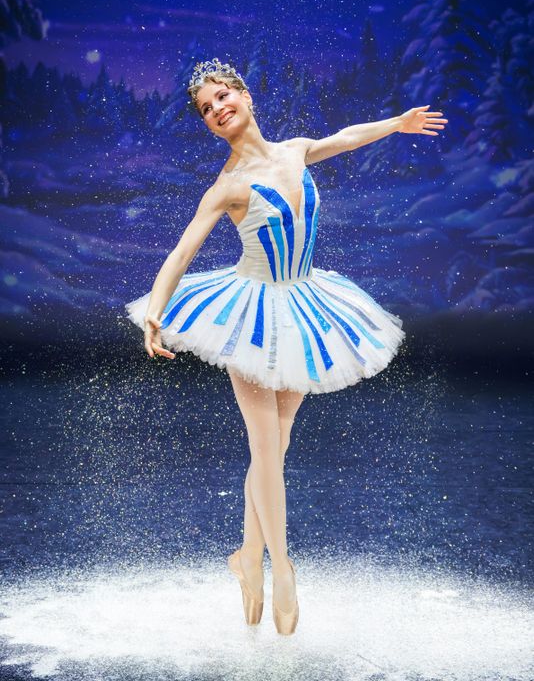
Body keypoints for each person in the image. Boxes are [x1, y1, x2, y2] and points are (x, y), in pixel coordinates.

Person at [125, 57, 448, 635]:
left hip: (303, 310)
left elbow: (342, 139)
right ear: (208, 124)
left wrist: (395, 124)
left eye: (224, 96)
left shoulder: (294, 149)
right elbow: (181, 253)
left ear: (244, 96)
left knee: (276, 448)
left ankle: (247, 558)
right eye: (207, 109)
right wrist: (154, 311)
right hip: (250, 316)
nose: (218, 109)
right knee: (266, 447)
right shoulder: (227, 186)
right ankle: (282, 569)